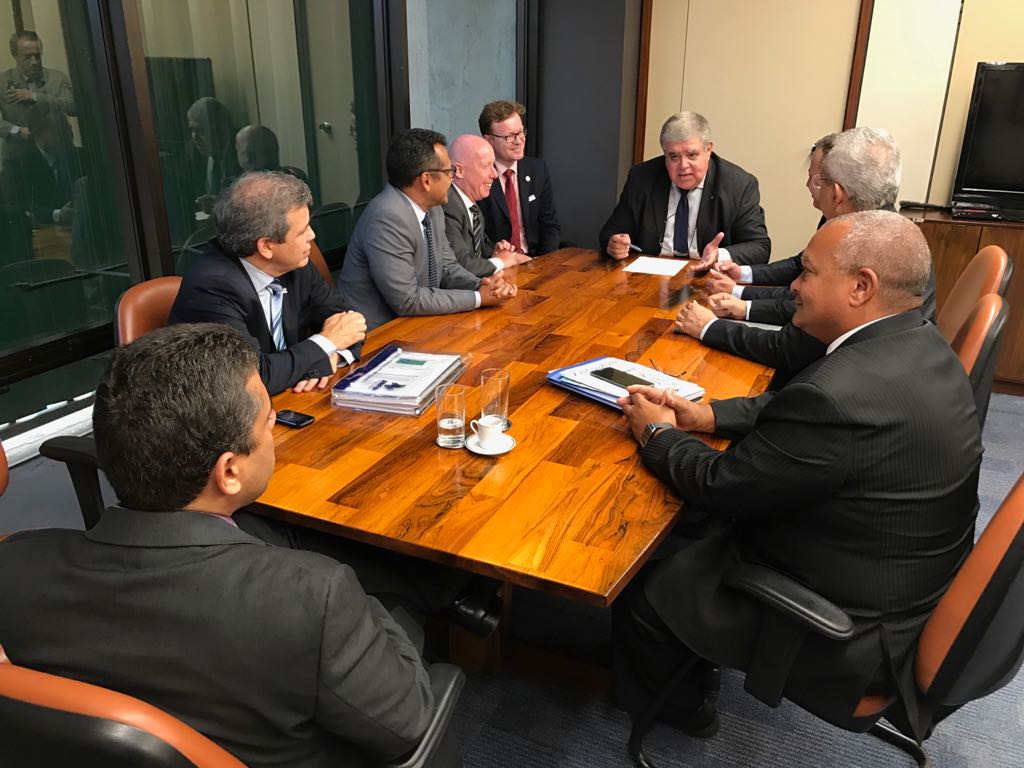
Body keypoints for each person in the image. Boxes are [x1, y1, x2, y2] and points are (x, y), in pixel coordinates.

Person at [612, 210, 982, 740]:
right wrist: (707, 415)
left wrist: (656, 433)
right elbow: (798, 413)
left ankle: (686, 711)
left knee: (645, 583)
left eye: (807, 272)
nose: (794, 287)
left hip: (852, 628)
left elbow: (719, 484)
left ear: (861, 287)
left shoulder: (835, 395)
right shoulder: (919, 343)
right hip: (904, 584)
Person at [0, 323, 437, 767]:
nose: (273, 429)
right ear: (228, 471)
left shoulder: (12, 565)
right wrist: (367, 606)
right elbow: (408, 723)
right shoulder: (312, 597)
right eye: (268, 420)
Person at [674, 127, 936, 381]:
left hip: (840, 384)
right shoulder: (895, 235)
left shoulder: (861, 250)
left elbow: (790, 348)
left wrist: (710, 327)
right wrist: (741, 295)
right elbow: (800, 286)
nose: (796, 284)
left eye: (819, 179)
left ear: (836, 194)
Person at [170, 171, 366, 395]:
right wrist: (326, 342)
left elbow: (348, 322)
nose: (312, 235)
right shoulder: (211, 289)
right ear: (265, 246)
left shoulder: (296, 264)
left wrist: (333, 354)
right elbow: (254, 378)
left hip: (291, 397)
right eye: (302, 231)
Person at [338, 128, 517, 332]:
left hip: (418, 323)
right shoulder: (387, 217)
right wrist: (478, 298)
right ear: (426, 180)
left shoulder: (433, 208)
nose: (452, 178)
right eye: (448, 172)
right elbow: (407, 299)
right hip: (376, 333)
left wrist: (482, 285)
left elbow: (447, 266)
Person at [599, 111, 770, 269]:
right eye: (674, 156)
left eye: (691, 155)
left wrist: (720, 255)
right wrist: (614, 244)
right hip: (649, 275)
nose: (683, 165)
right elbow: (610, 232)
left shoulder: (738, 185)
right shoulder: (642, 178)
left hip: (710, 276)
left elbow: (760, 247)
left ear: (708, 150)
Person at [476, 100, 560, 256]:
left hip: (535, 259)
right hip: (499, 262)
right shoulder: (478, 176)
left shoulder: (537, 169)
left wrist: (544, 262)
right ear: (488, 140)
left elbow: (549, 225)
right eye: (509, 136)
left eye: (521, 132)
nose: (519, 141)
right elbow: (478, 238)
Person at [442, 133, 524, 277]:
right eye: (487, 166)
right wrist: (501, 262)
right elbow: (460, 265)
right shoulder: (448, 206)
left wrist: (495, 251)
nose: (495, 174)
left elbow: (482, 249)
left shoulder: (473, 207)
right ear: (459, 171)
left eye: (493, 165)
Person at [0, 102, 81, 226]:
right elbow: (17, 208)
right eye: (59, 130)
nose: (68, 136)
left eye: (68, 128)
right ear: (37, 133)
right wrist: (57, 215)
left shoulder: (78, 157)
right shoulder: (19, 165)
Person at [0, 30, 74, 143]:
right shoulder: (2, 81)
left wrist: (35, 96)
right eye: (28, 57)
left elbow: (72, 107)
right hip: (18, 151)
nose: (34, 61)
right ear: (15, 55)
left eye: (37, 56)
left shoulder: (57, 78)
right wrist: (16, 131)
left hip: (56, 149)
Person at [187, 96, 241, 211]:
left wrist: (220, 205)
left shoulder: (242, 154)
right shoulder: (196, 157)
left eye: (201, 130)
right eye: (192, 130)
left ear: (220, 129)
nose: (195, 137)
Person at [235, 123, 309, 183]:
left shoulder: (294, 181)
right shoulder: (235, 187)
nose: (247, 159)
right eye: (243, 153)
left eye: (254, 153)